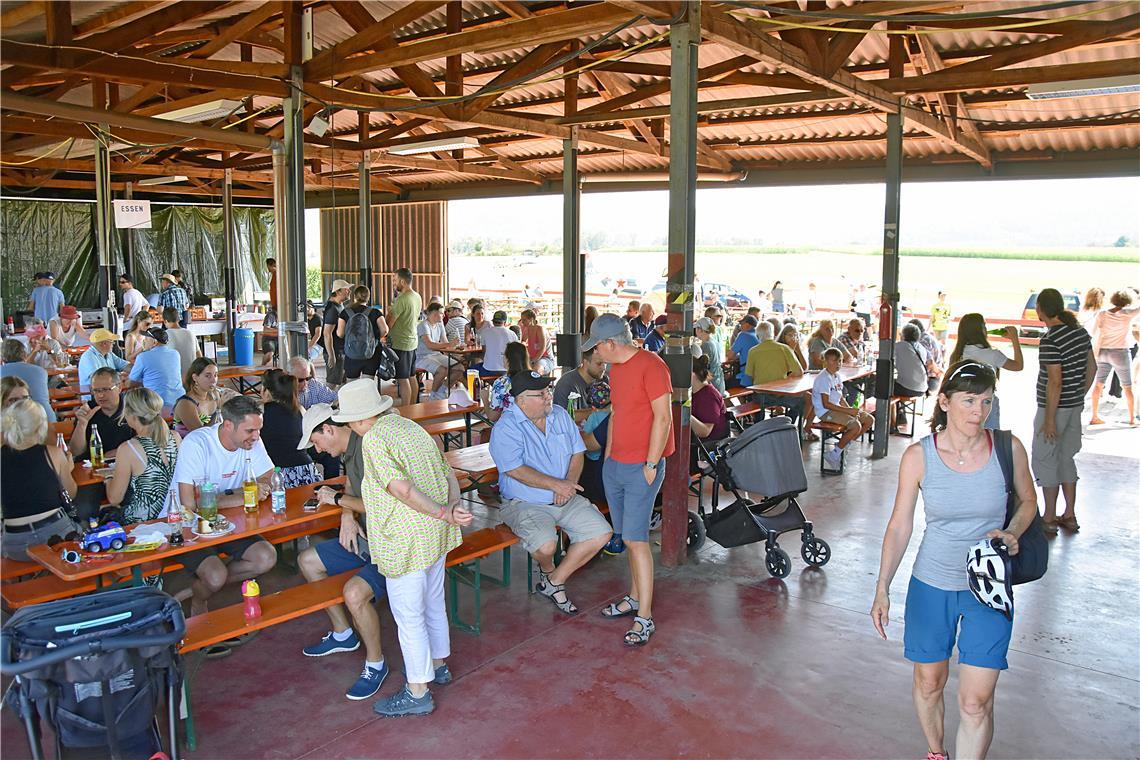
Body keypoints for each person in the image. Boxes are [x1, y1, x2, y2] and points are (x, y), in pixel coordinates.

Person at [871, 361, 1037, 760]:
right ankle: (936, 752)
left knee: (976, 701)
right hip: (932, 583)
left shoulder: (1007, 449)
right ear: (944, 401)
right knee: (929, 683)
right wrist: (882, 588)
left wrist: (1012, 531)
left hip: (988, 588)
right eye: (968, 401)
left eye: (986, 401)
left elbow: (1029, 501)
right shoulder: (919, 456)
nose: (978, 411)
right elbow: (899, 526)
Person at [356, 380, 472, 717]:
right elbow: (447, 471)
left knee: (409, 615)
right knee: (433, 601)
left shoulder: (374, 439)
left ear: (360, 419)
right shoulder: (407, 425)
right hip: (435, 533)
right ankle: (438, 664)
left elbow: (401, 489)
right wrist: (448, 509)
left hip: (405, 536)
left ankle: (417, 690)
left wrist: (442, 511)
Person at [582, 314, 673, 647]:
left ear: (610, 343)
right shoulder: (617, 371)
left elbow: (663, 418)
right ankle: (635, 598)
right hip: (616, 463)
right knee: (627, 537)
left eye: (596, 347)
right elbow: (618, 413)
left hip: (641, 467)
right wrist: (608, 456)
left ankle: (644, 617)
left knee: (636, 541)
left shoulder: (652, 366)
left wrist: (650, 464)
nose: (594, 354)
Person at [295, 390, 391, 700]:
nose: (317, 449)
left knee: (353, 593)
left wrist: (338, 501)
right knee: (308, 560)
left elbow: (382, 503)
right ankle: (343, 633)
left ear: (329, 429)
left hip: (390, 546)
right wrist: (347, 515)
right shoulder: (350, 449)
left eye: (316, 442)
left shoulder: (368, 446)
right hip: (365, 539)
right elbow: (352, 485)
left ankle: (376, 664)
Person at [491, 370, 612, 615]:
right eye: (541, 394)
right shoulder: (506, 427)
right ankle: (550, 573)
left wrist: (567, 483)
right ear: (521, 400)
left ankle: (554, 581)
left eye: (548, 391)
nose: (548, 397)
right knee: (547, 546)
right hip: (524, 502)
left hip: (564, 497)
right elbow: (514, 470)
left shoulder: (559, 416)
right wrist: (555, 485)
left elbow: (577, 453)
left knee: (601, 533)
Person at [172, 395, 278, 621]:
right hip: (187, 525)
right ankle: (201, 598)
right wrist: (242, 495)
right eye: (250, 431)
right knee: (216, 575)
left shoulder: (252, 441)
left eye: (259, 430)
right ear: (228, 425)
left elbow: (269, 479)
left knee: (266, 558)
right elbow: (190, 503)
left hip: (227, 521)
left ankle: (199, 588)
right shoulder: (197, 443)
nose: (257, 436)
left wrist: (219, 499)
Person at [1032, 288, 1095, 535]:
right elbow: (1092, 367)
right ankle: (1069, 514)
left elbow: (1054, 381)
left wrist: (1049, 419)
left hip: (1054, 410)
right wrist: (1078, 395)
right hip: (1073, 407)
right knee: (1066, 459)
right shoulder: (1079, 333)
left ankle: (1048, 517)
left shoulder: (1051, 339)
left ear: (1041, 309)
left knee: (1046, 459)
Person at [1, 399, 79, 560]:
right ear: (40, 426)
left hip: (15, 544)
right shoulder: (53, 453)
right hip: (56, 535)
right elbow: (71, 493)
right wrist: (67, 469)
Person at [104, 388, 181, 524]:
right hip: (175, 513)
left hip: (142, 521)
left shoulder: (128, 448)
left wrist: (109, 477)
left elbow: (115, 499)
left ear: (131, 414)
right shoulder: (175, 437)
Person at [948, 314, 1024, 430]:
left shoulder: (957, 355)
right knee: (989, 441)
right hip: (987, 403)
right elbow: (1018, 365)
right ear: (980, 330)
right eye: (984, 326)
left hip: (962, 403)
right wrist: (1014, 339)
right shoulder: (993, 354)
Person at [812, 348, 873, 468]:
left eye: (840, 361)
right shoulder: (823, 378)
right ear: (826, 362)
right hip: (826, 412)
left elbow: (840, 398)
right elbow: (826, 404)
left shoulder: (837, 376)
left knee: (869, 419)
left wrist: (851, 410)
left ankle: (843, 446)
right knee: (855, 425)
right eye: (834, 361)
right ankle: (834, 454)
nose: (838, 364)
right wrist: (848, 411)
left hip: (837, 408)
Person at [259, 369, 320, 486]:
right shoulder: (300, 409)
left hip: (277, 475)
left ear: (266, 390)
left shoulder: (260, 411)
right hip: (307, 471)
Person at [1089, 288, 1139, 426]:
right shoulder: (1128, 314)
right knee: (1127, 386)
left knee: (1098, 385)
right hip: (1120, 352)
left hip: (1103, 352)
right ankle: (1132, 418)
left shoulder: (1102, 314)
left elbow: (1093, 332)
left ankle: (1094, 416)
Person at [745, 321, 806, 424]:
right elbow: (799, 371)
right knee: (802, 400)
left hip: (761, 396)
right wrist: (786, 378)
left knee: (754, 398)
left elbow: (749, 376)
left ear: (757, 335)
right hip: (782, 394)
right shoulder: (784, 348)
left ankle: (758, 427)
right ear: (773, 333)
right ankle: (788, 424)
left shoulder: (753, 351)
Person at [68, 366, 135, 460]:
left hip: (128, 461)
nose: (100, 395)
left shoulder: (133, 407)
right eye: (96, 390)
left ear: (119, 387)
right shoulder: (88, 410)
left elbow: (148, 442)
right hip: (93, 466)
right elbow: (75, 452)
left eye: (105, 389)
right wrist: (82, 424)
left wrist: (120, 450)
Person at [337, 285, 389, 381]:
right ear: (368, 297)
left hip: (351, 353)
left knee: (352, 385)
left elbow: (340, 333)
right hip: (370, 353)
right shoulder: (375, 312)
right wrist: (375, 337)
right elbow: (385, 330)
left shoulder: (345, 312)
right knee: (368, 384)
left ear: (355, 297)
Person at [172, 358, 235, 437]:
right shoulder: (186, 404)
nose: (213, 380)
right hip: (190, 446)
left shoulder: (214, 395)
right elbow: (202, 435)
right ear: (195, 377)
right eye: (208, 376)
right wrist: (219, 410)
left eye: (215, 375)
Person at [388, 268, 422, 407]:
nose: (393, 283)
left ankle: (406, 410)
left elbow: (390, 323)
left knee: (402, 379)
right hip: (412, 342)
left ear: (403, 281)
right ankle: (413, 407)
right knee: (411, 376)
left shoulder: (401, 299)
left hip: (400, 343)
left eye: (395, 280)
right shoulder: (417, 296)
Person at [1, 339, 56, 423]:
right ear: (24, 354)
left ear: (2, 356)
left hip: (13, 423)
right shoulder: (41, 371)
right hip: (46, 418)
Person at [129, 327, 184, 412]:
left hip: (157, 404)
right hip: (180, 402)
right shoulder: (175, 354)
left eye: (146, 339)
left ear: (154, 342)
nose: (144, 341)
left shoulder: (143, 357)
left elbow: (131, 383)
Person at [415, 302, 462, 401]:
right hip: (422, 357)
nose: (444, 315)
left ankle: (441, 390)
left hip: (436, 354)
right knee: (442, 370)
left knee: (460, 368)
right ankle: (433, 395)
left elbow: (445, 342)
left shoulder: (440, 325)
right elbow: (430, 345)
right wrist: (450, 345)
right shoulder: (423, 325)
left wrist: (458, 347)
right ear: (434, 313)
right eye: (442, 313)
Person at [689, 355, 729, 443]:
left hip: (711, 444)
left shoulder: (708, 396)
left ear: (692, 374)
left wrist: (684, 413)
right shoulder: (696, 392)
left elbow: (705, 431)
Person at [487, 342, 531, 422]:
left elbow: (493, 417)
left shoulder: (502, 383)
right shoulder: (535, 378)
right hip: (534, 427)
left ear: (508, 359)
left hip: (510, 429)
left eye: (503, 355)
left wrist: (485, 399)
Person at [553, 346, 606, 411]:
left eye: (605, 363)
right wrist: (599, 412)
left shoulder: (604, 379)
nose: (604, 368)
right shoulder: (567, 384)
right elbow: (567, 416)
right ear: (586, 363)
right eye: (599, 364)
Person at [77, 328, 130, 393]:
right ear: (104, 344)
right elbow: (98, 379)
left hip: (109, 391)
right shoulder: (88, 356)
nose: (113, 344)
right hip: (93, 395)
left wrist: (139, 369)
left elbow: (124, 365)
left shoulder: (109, 354)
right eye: (112, 342)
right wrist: (120, 376)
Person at [322, 279, 353, 387]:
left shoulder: (339, 306)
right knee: (332, 382)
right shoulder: (332, 309)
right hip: (335, 350)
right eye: (346, 289)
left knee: (341, 381)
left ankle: (336, 404)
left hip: (340, 350)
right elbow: (327, 333)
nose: (349, 291)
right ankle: (324, 403)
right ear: (338, 292)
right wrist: (331, 355)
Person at [474, 310, 520, 378]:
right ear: (505, 322)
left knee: (465, 374)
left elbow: (484, 352)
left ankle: (476, 388)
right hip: (507, 370)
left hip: (488, 369)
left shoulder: (485, 332)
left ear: (493, 321)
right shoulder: (512, 334)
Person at [163, 306, 200, 378]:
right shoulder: (190, 333)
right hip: (192, 376)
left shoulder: (165, 335)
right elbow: (199, 356)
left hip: (175, 377)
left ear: (165, 321)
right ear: (178, 319)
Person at [694, 317, 725, 395]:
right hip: (719, 380)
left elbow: (703, 366)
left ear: (700, 329)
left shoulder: (706, 345)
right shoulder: (713, 341)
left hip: (712, 382)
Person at [727, 315, 760, 387]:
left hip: (746, 378)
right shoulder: (758, 335)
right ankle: (745, 398)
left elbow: (730, 356)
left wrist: (735, 355)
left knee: (725, 383)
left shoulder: (743, 335)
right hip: (758, 377)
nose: (740, 326)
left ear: (748, 325)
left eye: (742, 324)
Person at [519, 309, 554, 374]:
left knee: (536, 370)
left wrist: (532, 361)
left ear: (531, 319)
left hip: (545, 358)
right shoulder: (527, 329)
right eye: (522, 320)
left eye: (524, 320)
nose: (522, 322)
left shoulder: (540, 329)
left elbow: (542, 349)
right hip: (532, 358)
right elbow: (522, 342)